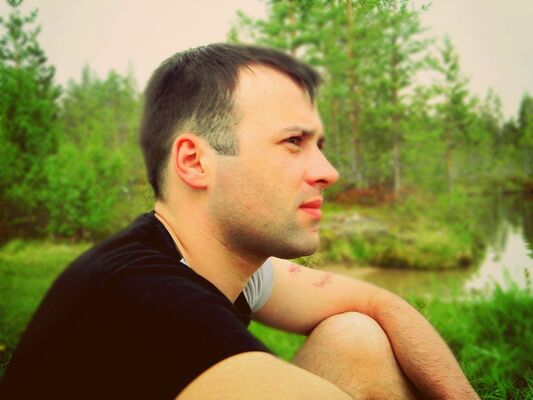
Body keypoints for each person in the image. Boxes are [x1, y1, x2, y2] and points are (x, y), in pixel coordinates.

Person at [1, 43, 479, 399]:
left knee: (355, 335)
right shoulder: (143, 299)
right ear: (195, 162)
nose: (328, 172)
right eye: (292, 142)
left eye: (319, 146)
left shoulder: (214, 261)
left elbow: (378, 302)